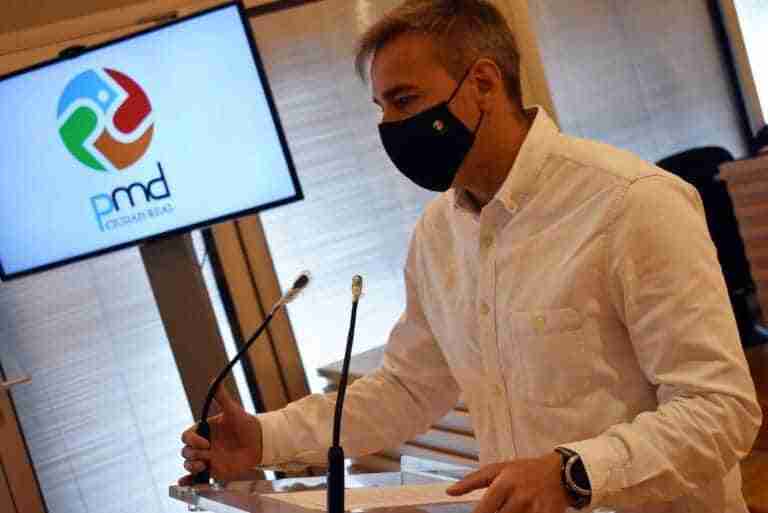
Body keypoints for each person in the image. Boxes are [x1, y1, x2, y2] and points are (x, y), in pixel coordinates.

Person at [180, 1, 762, 511]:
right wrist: (265, 438)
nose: (390, 127)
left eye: (405, 100)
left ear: (483, 83)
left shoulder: (632, 203)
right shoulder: (438, 233)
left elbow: (720, 409)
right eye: (381, 108)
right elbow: (408, 389)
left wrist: (573, 473)